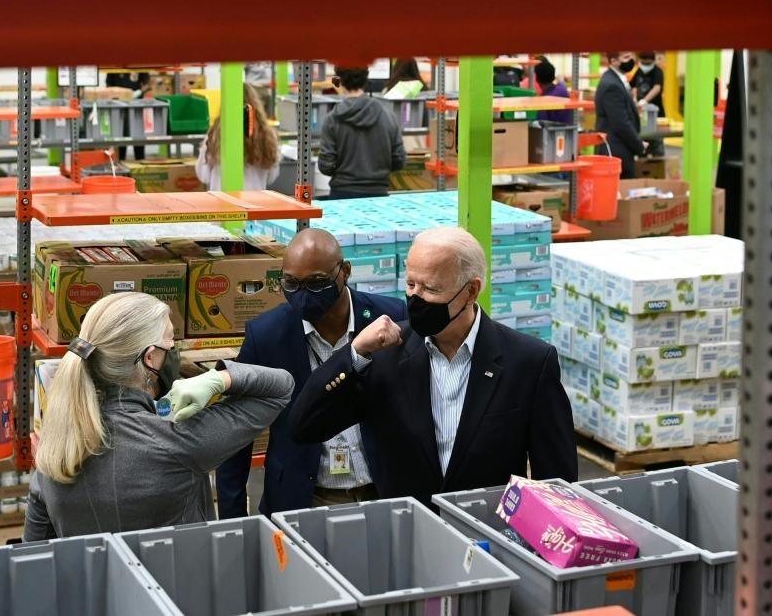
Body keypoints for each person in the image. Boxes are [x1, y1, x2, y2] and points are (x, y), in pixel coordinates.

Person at [289, 227, 578, 507]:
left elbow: (557, 483)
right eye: (411, 284)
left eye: (430, 288)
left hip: (488, 538)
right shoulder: (384, 356)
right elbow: (305, 426)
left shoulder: (528, 362)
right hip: (408, 537)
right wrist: (352, 353)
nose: (416, 297)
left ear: (471, 291)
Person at [24, 292, 293, 540]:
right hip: (170, 589)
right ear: (150, 358)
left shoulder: (57, 445)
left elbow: (34, 550)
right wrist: (220, 378)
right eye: (171, 344)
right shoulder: (177, 441)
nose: (174, 353)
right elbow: (280, 388)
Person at [216, 229, 405, 518]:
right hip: (304, 499)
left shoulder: (388, 319)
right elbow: (235, 434)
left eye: (316, 283)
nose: (303, 294)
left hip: (382, 493)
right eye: (291, 283)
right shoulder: (266, 336)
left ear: (345, 272)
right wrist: (233, 524)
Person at [319, 67, 406, 199]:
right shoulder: (388, 115)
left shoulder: (332, 119)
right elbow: (399, 160)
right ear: (365, 80)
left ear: (340, 81)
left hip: (341, 195)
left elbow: (326, 166)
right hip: (379, 194)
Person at [195, 84, 280, 191]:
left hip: (221, 202)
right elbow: (271, 176)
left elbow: (204, 176)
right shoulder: (267, 135)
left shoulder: (215, 135)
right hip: (255, 203)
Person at [595, 52, 648, 178]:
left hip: (620, 149)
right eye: (626, 58)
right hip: (616, 151)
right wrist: (639, 144)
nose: (631, 61)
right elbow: (620, 123)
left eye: (631, 56)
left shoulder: (618, 80)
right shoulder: (612, 85)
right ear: (613, 61)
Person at [105, 71, 151, 161]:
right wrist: (116, 95)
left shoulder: (138, 63)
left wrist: (138, 92)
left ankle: (140, 164)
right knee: (121, 137)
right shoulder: (114, 65)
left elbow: (147, 84)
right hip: (118, 108)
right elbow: (108, 85)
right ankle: (121, 163)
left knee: (138, 138)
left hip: (137, 106)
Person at [631, 51, 665, 156]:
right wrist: (633, 99)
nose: (645, 66)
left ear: (653, 61)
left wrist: (645, 100)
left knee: (655, 139)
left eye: (648, 64)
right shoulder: (639, 71)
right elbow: (632, 86)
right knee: (642, 137)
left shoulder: (657, 72)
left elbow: (657, 88)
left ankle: (656, 162)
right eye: (643, 63)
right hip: (641, 112)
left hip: (655, 112)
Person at [534, 56, 573, 125]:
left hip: (551, 133)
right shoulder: (562, 89)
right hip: (568, 130)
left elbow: (540, 123)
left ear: (537, 79)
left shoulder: (543, 101)